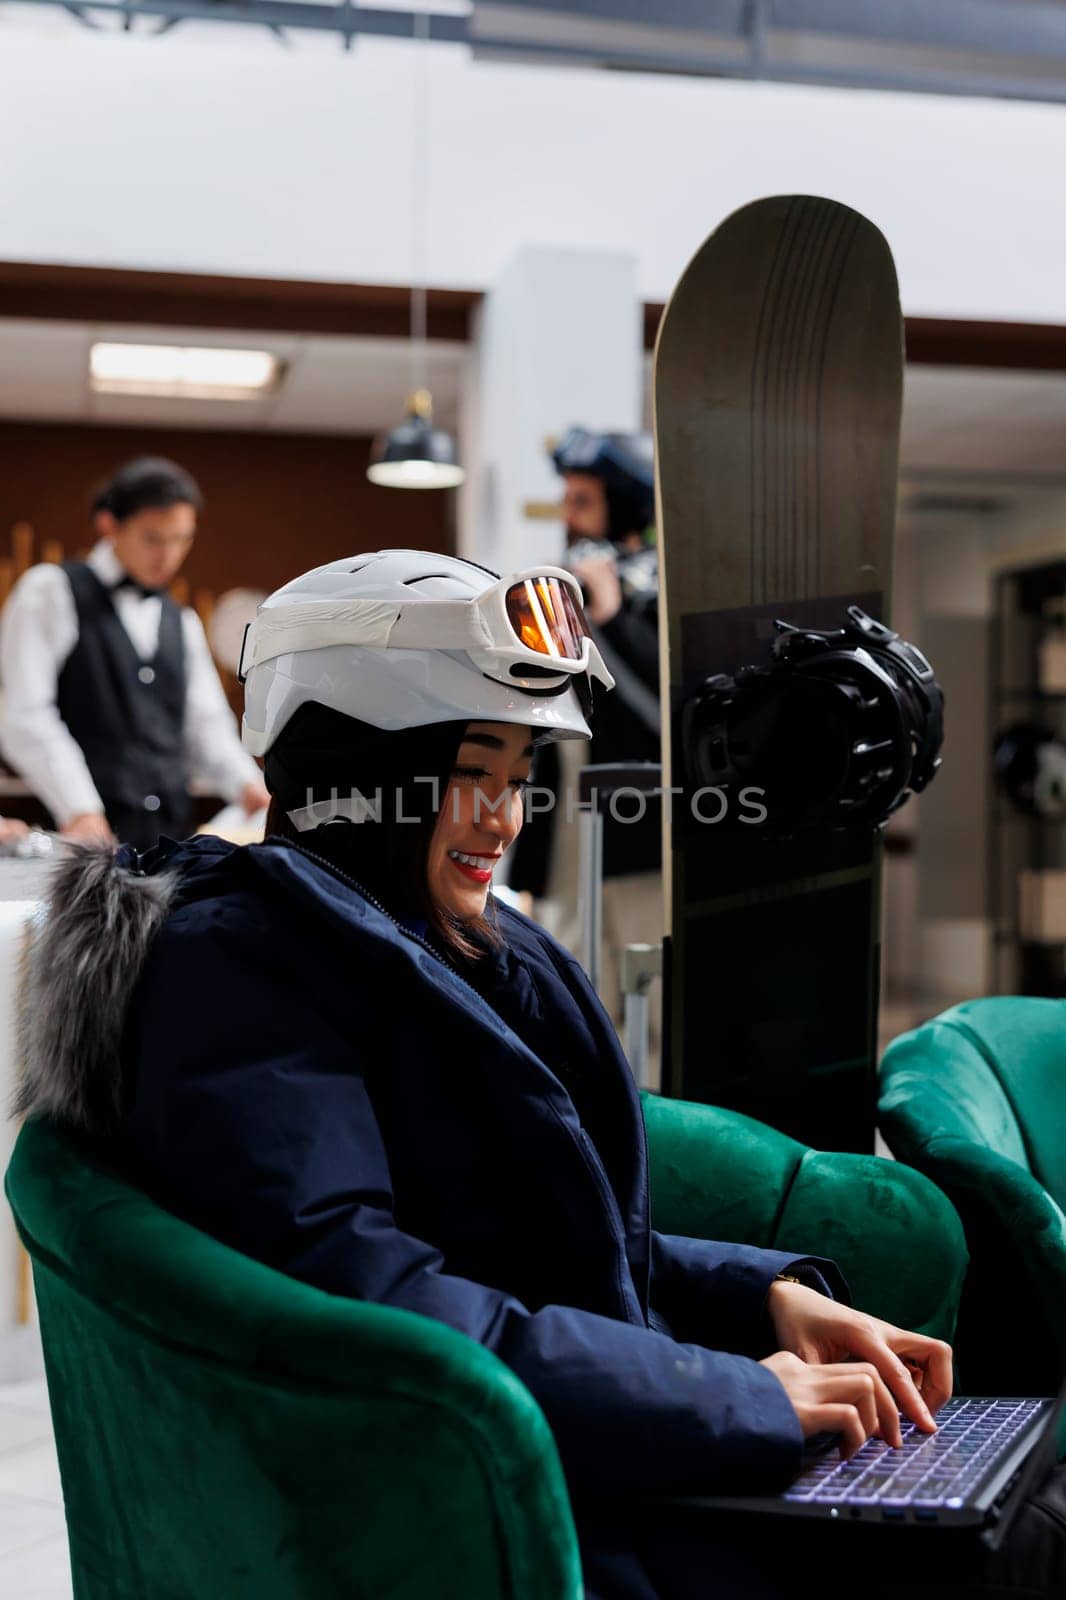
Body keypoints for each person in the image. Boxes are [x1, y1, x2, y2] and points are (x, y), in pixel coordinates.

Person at [14, 549, 1065, 1600]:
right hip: (521, 1511)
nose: (505, 817)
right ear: (360, 771)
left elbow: (544, 1239)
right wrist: (743, 1398)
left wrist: (766, 1297)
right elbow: (382, 1299)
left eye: (518, 777)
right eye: (472, 772)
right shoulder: (238, 971)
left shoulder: (400, 939)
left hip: (595, 1450)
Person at [0, 455, 268, 852]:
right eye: (153, 538)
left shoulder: (183, 621)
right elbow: (25, 715)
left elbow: (206, 726)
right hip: (81, 848)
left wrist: (250, 787)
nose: (169, 556)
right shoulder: (50, 590)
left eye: (182, 539)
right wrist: (79, 808)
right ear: (109, 525)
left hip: (170, 843)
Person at [508, 426, 663, 1072]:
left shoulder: (659, 598)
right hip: (562, 843)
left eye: (583, 501)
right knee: (567, 999)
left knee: (644, 1004)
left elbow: (668, 717)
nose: (567, 517)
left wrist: (614, 618)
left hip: (637, 846)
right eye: (566, 500)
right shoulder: (561, 595)